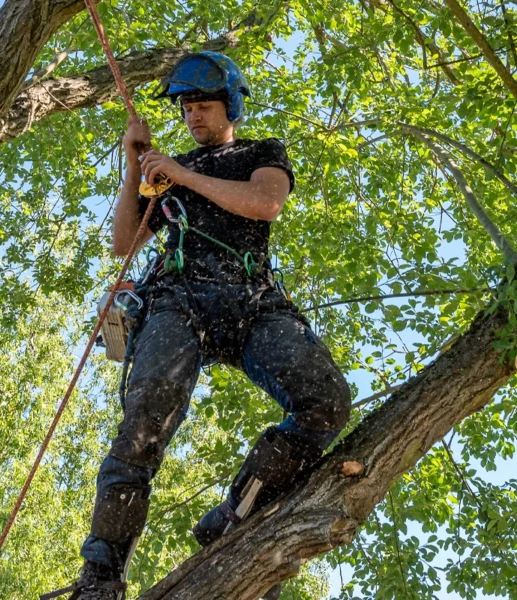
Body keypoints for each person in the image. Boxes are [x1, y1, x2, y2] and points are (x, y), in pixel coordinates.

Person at [58, 51, 351, 600]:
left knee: (327, 401)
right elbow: (125, 244)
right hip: (179, 300)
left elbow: (266, 203)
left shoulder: (261, 153)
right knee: (145, 421)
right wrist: (136, 163)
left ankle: (236, 511)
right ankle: (100, 576)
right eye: (186, 106)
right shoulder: (167, 174)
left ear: (231, 104)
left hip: (253, 300)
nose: (193, 115)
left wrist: (184, 174)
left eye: (203, 104)